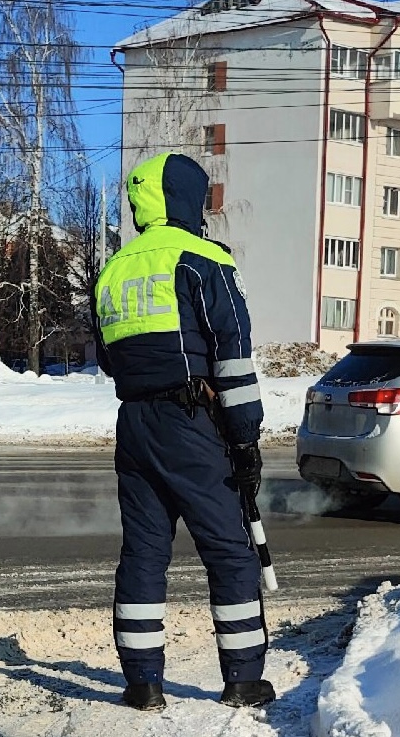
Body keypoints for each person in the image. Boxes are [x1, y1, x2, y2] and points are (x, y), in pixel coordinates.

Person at [91, 152, 274, 711]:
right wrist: (244, 439)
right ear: (188, 200)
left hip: (134, 422)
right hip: (194, 420)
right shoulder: (202, 259)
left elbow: (105, 358)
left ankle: (142, 682)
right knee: (229, 550)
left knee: (144, 554)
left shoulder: (114, 268)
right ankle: (243, 678)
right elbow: (233, 357)